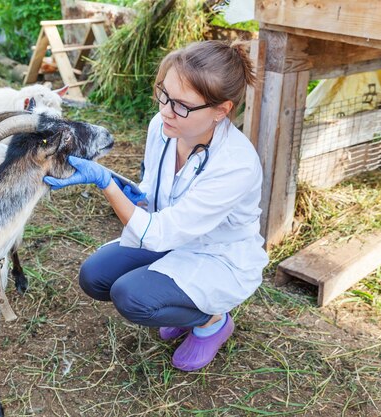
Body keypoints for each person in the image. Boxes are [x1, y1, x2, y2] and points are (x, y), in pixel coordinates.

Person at [44, 40, 268, 372]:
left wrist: (105, 183)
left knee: (131, 296)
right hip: (169, 234)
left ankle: (212, 319)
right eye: (163, 94)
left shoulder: (236, 164)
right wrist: (125, 187)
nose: (164, 109)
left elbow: (161, 232)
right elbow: (152, 189)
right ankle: (178, 300)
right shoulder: (162, 128)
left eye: (181, 105)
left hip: (216, 256)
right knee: (94, 276)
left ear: (221, 110)